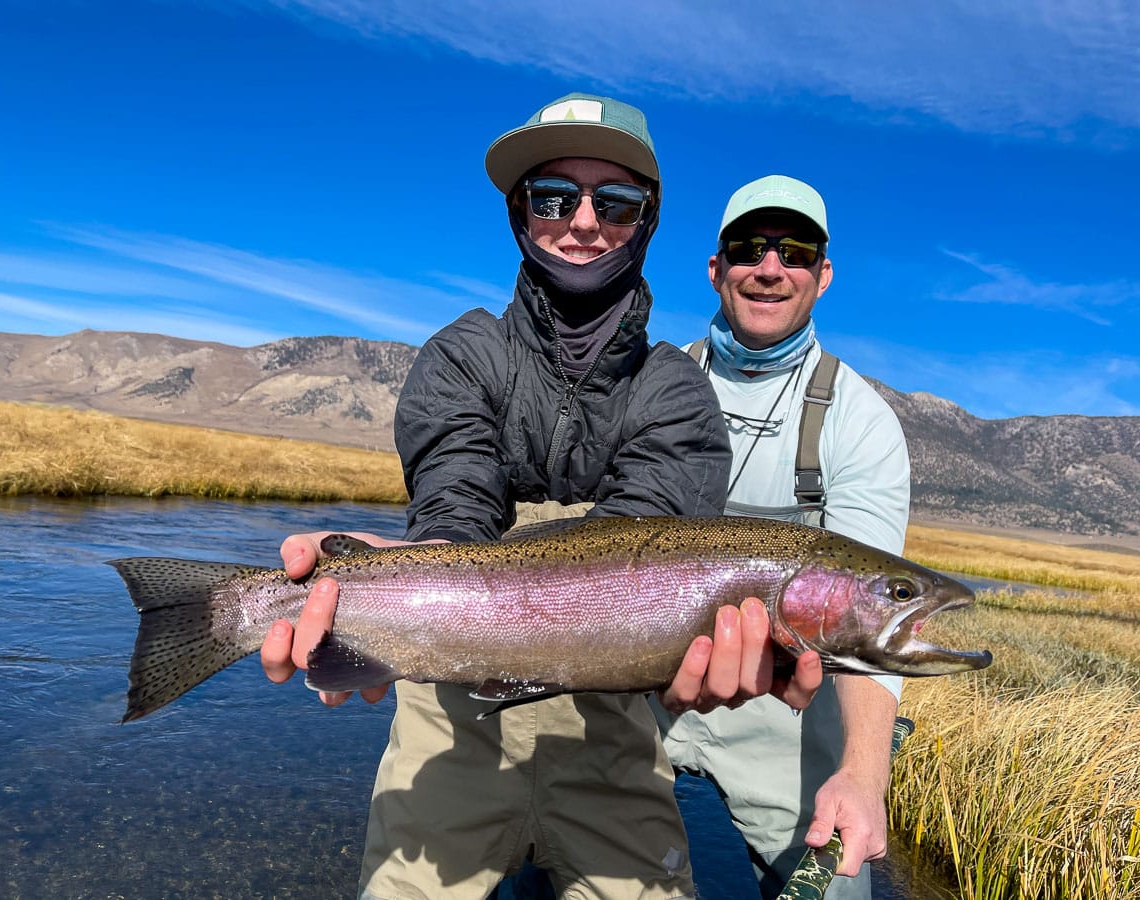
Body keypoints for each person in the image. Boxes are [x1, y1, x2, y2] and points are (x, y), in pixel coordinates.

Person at [259, 97, 823, 900]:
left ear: (647, 222)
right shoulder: (461, 356)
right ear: (521, 214)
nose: (584, 221)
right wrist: (405, 577)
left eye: (614, 202)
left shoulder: (678, 391)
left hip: (611, 734)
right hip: (447, 719)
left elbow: (640, 553)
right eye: (555, 196)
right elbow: (454, 505)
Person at [651, 174, 911, 899]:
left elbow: (868, 623)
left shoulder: (859, 421)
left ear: (822, 276)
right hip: (645, 687)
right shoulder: (652, 382)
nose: (770, 268)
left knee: (836, 889)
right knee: (558, 860)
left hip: (787, 716)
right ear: (716, 269)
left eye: (794, 251)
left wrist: (862, 775)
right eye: (748, 249)